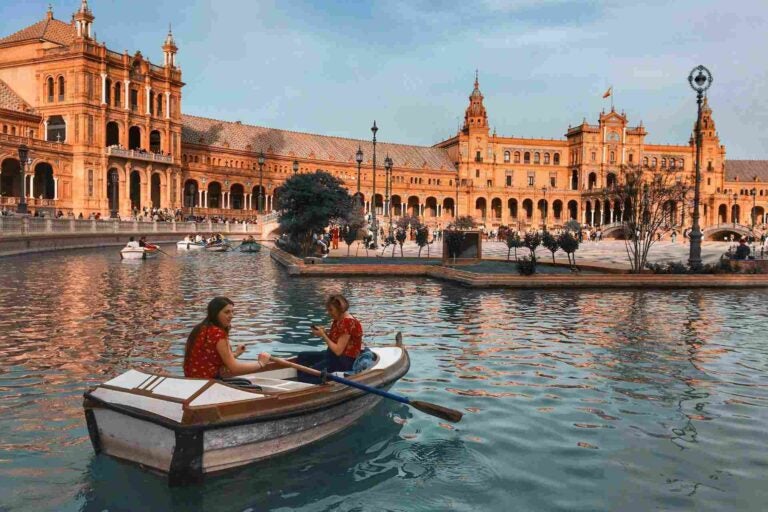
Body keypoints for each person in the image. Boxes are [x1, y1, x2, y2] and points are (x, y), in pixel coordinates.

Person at [183, 297, 270, 379]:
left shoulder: (199, 329)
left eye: (232, 312)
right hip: (209, 383)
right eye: (227, 312)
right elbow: (235, 368)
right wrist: (261, 363)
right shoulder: (218, 334)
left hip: (193, 382)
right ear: (215, 314)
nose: (231, 315)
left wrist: (236, 353)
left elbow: (210, 359)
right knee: (251, 385)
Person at [298, 294, 364, 379]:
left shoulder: (348, 322)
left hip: (343, 361)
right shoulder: (338, 320)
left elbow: (338, 351)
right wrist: (323, 333)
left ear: (340, 309)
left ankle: (310, 381)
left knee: (306, 375)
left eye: (331, 310)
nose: (329, 313)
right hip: (332, 356)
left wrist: (323, 335)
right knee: (302, 356)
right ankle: (305, 379)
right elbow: (335, 341)